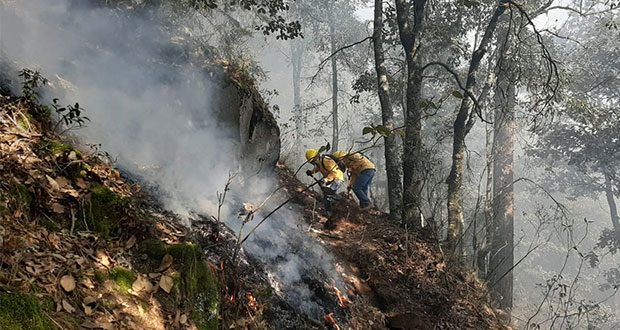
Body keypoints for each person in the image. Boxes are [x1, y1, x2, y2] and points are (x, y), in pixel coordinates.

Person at [305, 149, 345, 216]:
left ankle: (343, 201)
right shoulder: (319, 161)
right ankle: (329, 212)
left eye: (313, 161)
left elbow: (334, 173)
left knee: (328, 194)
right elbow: (319, 168)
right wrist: (312, 172)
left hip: (337, 178)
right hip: (330, 179)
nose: (313, 163)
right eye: (311, 162)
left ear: (316, 157)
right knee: (326, 195)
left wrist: (325, 180)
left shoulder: (327, 160)